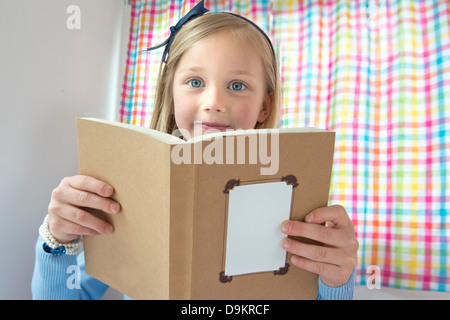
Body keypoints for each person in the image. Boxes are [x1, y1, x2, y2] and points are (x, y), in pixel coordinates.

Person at [32, 2, 358, 300]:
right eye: (195, 82)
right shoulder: (127, 188)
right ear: (170, 93)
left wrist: (336, 280)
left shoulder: (296, 196)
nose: (214, 103)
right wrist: (56, 241)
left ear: (265, 105)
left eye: (237, 85)